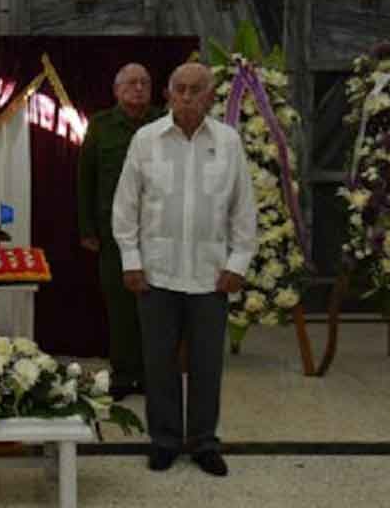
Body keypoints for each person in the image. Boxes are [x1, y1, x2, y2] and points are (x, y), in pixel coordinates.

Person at [112, 62, 256, 477]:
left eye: (196, 90)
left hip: (212, 276)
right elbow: (125, 207)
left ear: (211, 96)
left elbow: (243, 210)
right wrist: (131, 261)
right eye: (180, 89)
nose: (188, 96)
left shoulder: (228, 142)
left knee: (208, 365)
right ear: (168, 94)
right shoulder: (145, 140)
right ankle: (164, 440)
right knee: (158, 364)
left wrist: (238, 263)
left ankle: (204, 442)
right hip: (156, 274)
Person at [77, 63, 159, 400]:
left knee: (156, 306)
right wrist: (87, 228)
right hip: (113, 233)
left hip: (157, 231)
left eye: (144, 82)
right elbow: (86, 178)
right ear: (116, 90)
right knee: (120, 306)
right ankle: (124, 374)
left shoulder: (163, 123)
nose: (138, 88)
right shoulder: (100, 126)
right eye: (131, 83)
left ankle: (153, 374)